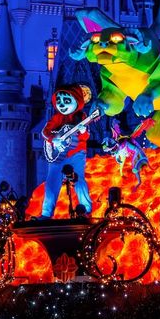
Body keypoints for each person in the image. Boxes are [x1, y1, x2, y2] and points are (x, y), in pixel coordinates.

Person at [40, 84, 95, 218]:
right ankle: (46, 214)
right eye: (59, 101)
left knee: (78, 180)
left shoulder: (81, 117)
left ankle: (86, 211)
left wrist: (83, 131)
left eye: (66, 101)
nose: (62, 104)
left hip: (76, 153)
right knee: (51, 183)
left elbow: (85, 136)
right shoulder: (57, 118)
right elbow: (44, 132)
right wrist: (55, 140)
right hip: (58, 157)